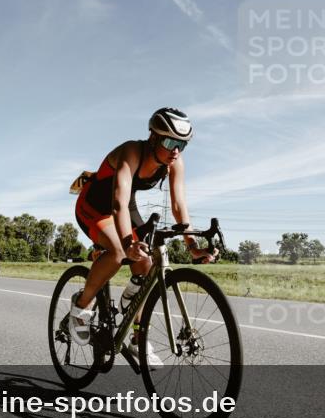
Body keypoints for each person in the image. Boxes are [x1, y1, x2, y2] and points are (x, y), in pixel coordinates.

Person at [69, 108, 216, 361]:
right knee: (118, 252)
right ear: (153, 137)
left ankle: (138, 336)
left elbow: (178, 205)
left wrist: (192, 245)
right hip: (94, 206)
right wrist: (128, 243)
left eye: (182, 144)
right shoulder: (132, 152)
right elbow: (118, 203)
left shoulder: (174, 162)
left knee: (147, 262)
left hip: (125, 207)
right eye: (170, 142)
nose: (176, 151)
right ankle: (80, 307)